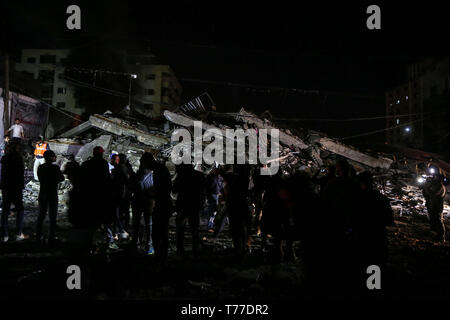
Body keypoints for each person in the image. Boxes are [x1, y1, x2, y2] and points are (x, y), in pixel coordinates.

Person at [80, 146, 115, 249]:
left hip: (90, 194)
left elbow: (82, 178)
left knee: (91, 219)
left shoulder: (87, 163)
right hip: (101, 194)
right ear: (100, 154)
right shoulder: (103, 163)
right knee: (105, 218)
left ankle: (89, 241)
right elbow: (107, 179)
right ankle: (109, 241)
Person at [173, 163, 205, 257]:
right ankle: (196, 249)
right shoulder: (199, 175)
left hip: (183, 205)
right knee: (195, 229)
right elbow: (203, 190)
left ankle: (180, 250)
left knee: (180, 229)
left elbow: (174, 190)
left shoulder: (181, 176)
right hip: (195, 205)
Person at [36, 150, 65, 244]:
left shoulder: (41, 167)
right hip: (52, 193)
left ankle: (38, 235)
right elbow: (62, 178)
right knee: (52, 216)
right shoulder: (55, 168)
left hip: (43, 193)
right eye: (54, 156)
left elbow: (40, 178)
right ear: (50, 157)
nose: (55, 158)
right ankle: (51, 237)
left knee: (41, 215)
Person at [131, 153, 156, 255]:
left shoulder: (135, 176)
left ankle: (136, 245)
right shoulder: (152, 175)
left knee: (137, 224)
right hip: (148, 202)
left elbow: (130, 188)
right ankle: (148, 246)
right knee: (148, 224)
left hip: (138, 201)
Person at [0, 141, 25, 242]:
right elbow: (20, 173)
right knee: (20, 210)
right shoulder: (18, 158)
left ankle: (4, 235)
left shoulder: (5, 158)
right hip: (16, 187)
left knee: (5, 210)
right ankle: (19, 233)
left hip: (6, 187)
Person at [422, 172, 446, 242]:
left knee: (438, 221)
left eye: (436, 177)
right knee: (433, 219)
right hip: (431, 205)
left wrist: (427, 188)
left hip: (437, 207)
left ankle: (441, 237)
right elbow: (425, 194)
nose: (434, 178)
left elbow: (433, 194)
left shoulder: (441, 187)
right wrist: (426, 188)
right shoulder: (433, 185)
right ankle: (435, 234)